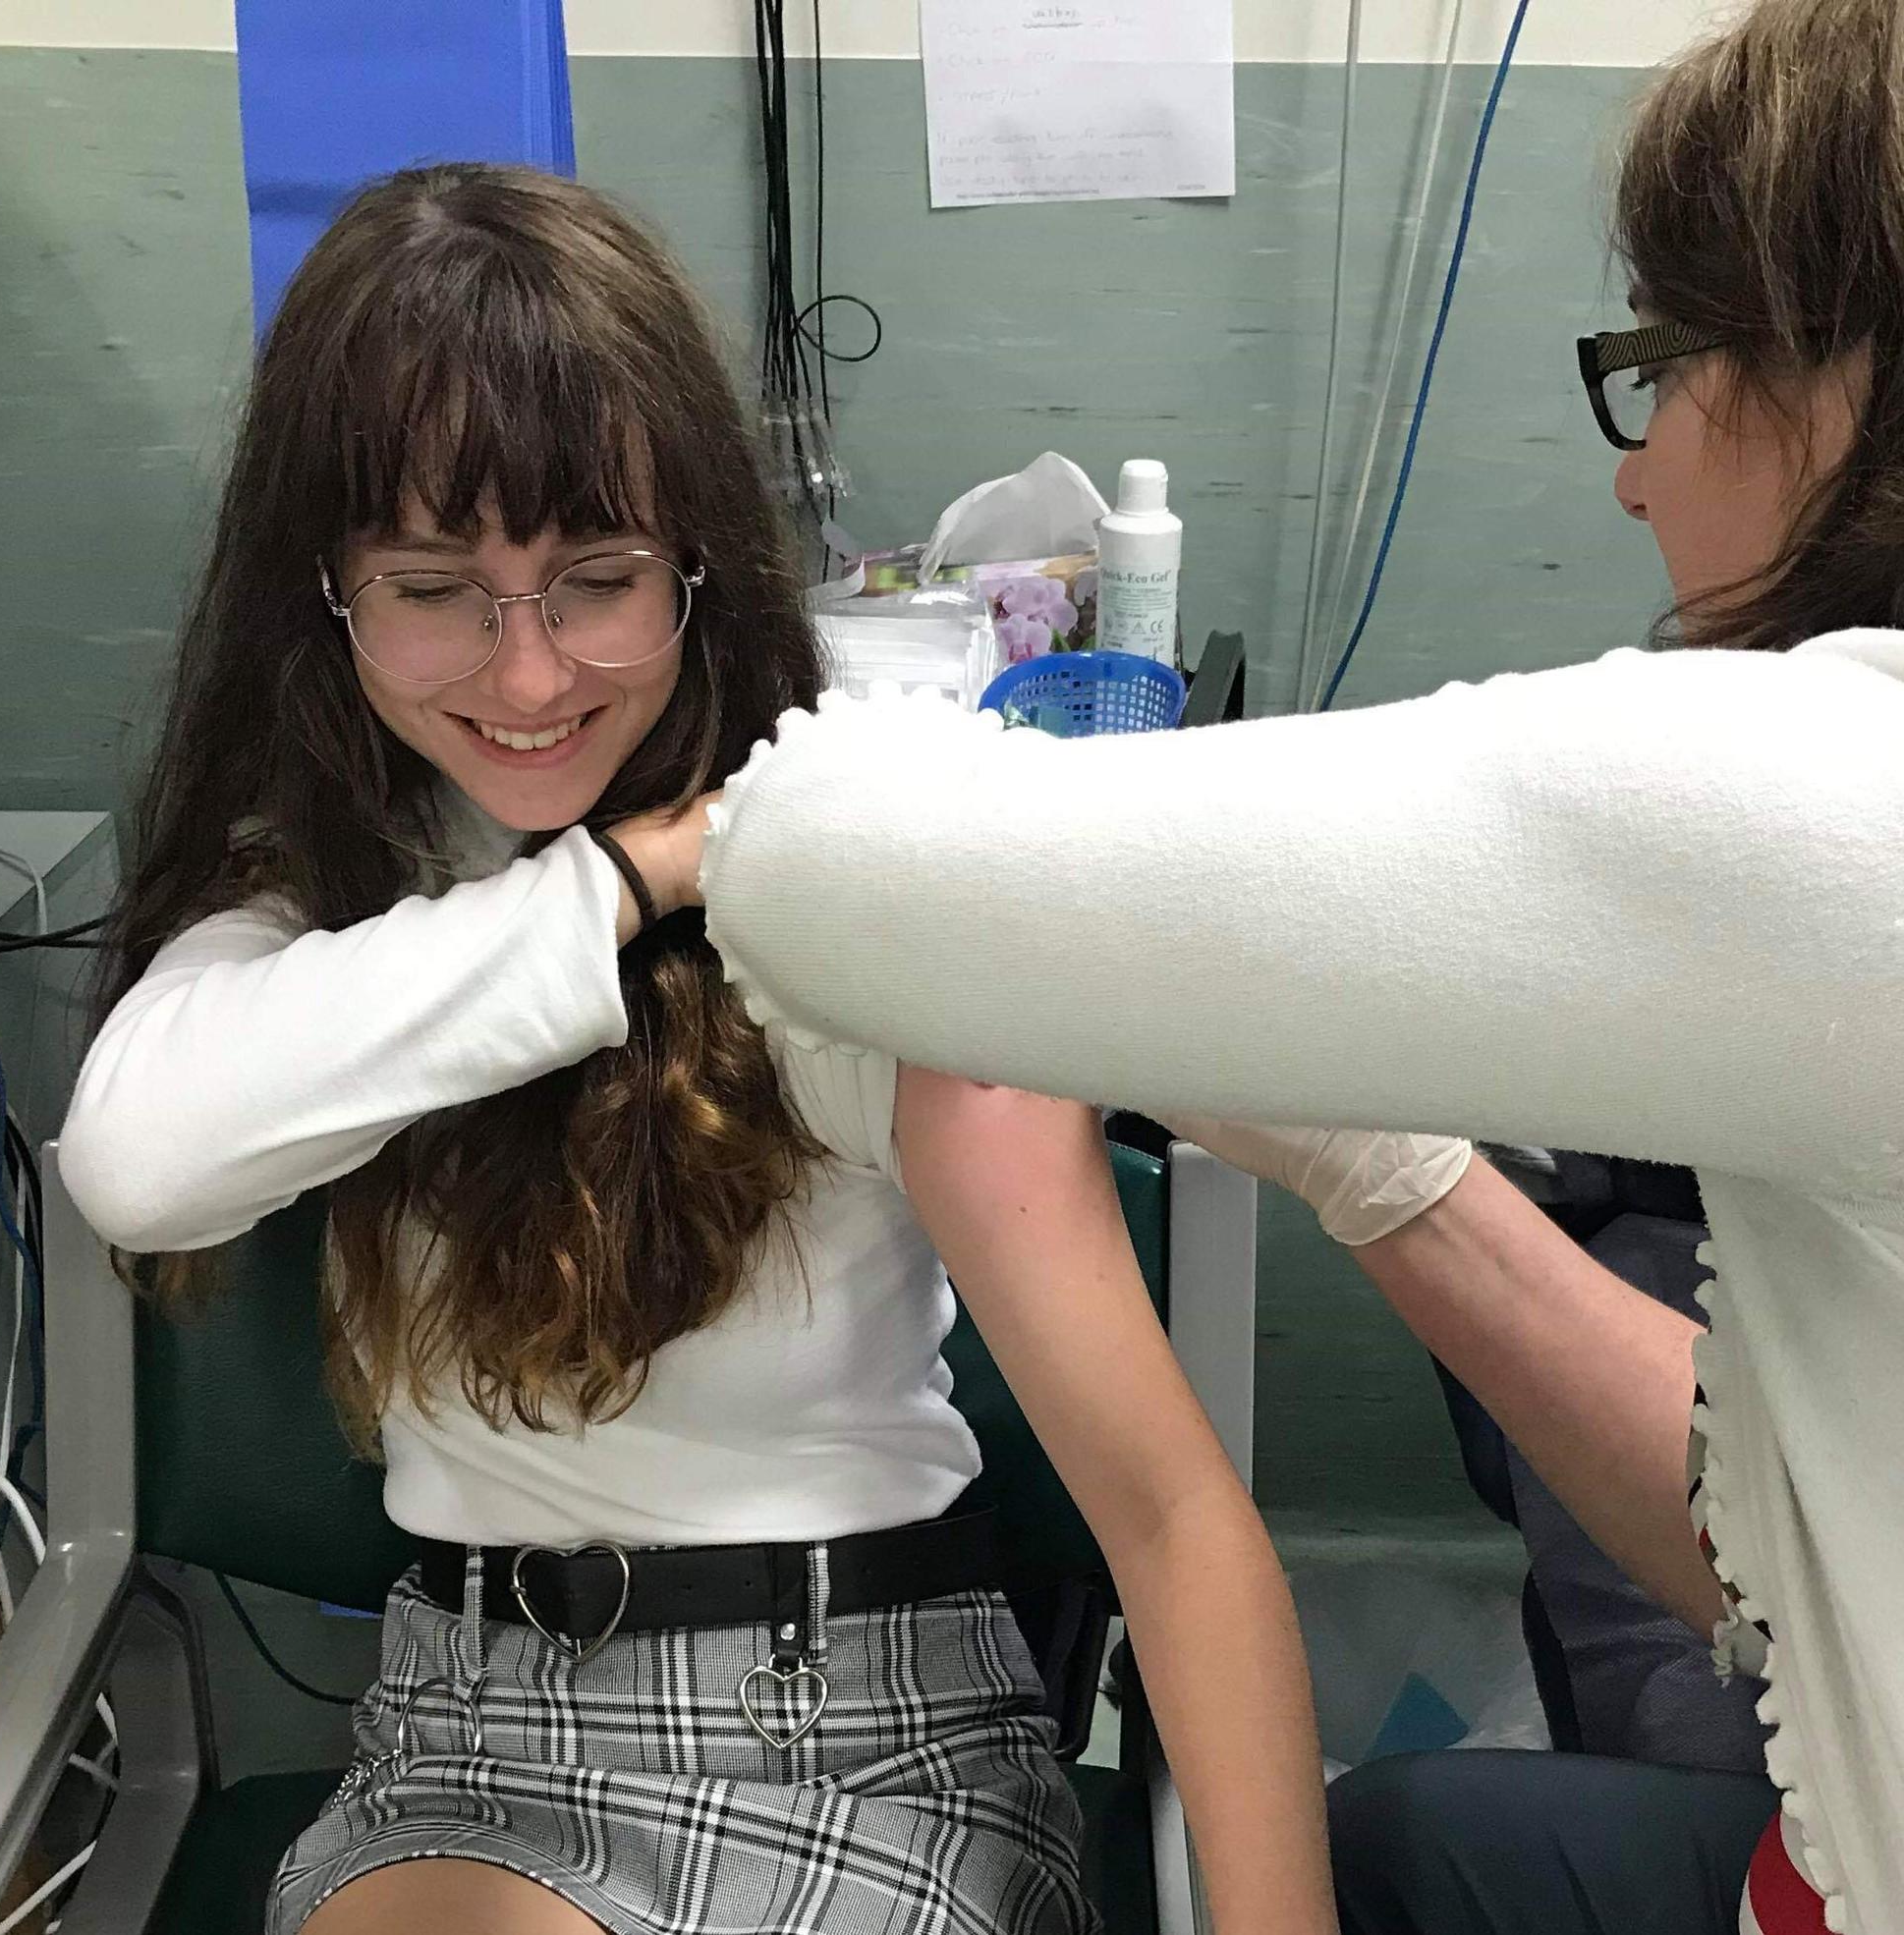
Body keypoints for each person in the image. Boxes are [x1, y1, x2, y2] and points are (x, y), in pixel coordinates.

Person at [694, 3, 1904, 1931]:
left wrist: (673, 854)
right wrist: (1391, 1167)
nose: (1632, 474)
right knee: (1419, 1840)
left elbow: (821, 880)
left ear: (1833, 377)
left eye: (1663, 368)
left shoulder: (1846, 794)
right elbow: (1788, 1551)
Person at [57, 166, 1337, 1935]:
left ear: (698, 566)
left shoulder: (851, 912)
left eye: (594, 580)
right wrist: (634, 872)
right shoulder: (327, 905)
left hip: (864, 1727)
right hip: (469, 1737)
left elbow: (1178, 1521)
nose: (526, 675)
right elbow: (138, 1154)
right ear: (329, 593)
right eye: (437, 587)